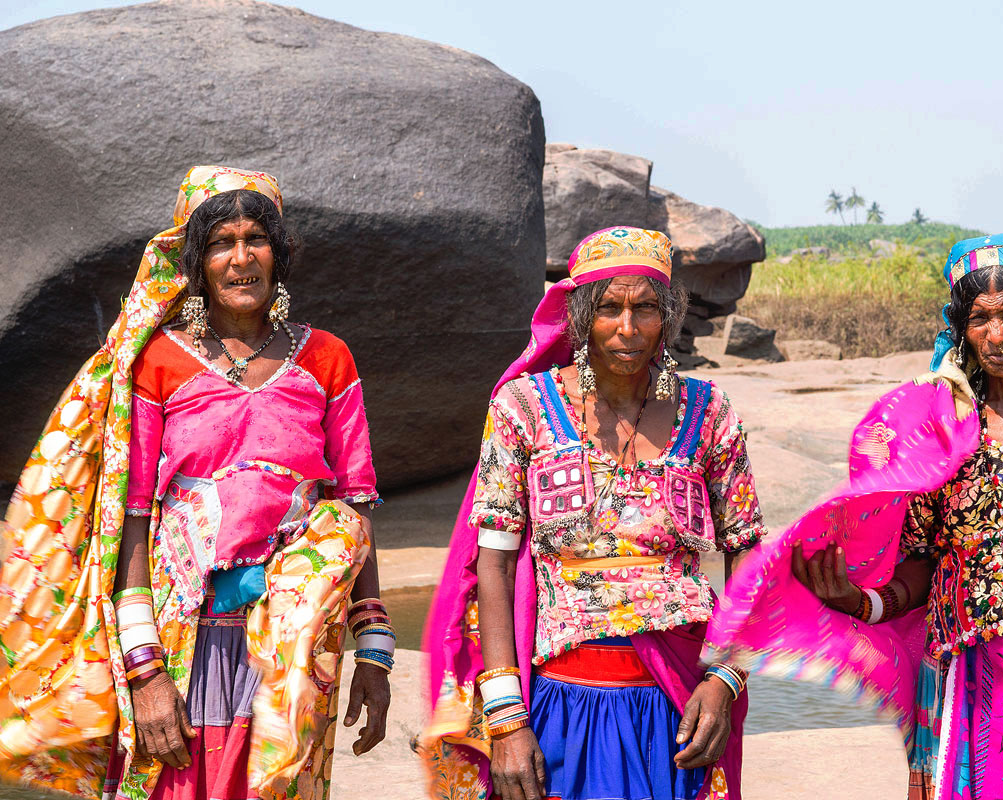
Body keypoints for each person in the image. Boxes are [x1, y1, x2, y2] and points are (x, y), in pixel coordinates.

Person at [706, 234, 1003, 800]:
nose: (997, 335)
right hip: (963, 679)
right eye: (980, 318)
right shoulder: (935, 430)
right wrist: (862, 603)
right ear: (961, 326)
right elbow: (923, 562)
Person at [0, 166, 393, 800]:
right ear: (196, 262)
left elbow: (352, 510)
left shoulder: (328, 358)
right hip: (183, 640)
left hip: (292, 654)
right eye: (220, 243)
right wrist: (145, 674)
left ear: (280, 252)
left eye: (256, 238)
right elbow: (131, 519)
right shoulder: (158, 361)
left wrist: (372, 650)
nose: (241, 258)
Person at [421, 227, 767, 800]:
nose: (627, 329)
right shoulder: (524, 409)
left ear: (669, 317)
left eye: (645, 308)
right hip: (560, 701)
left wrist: (726, 678)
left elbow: (749, 556)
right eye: (609, 308)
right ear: (581, 318)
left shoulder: (710, 413)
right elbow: (495, 569)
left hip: (680, 702)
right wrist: (507, 722)